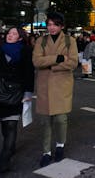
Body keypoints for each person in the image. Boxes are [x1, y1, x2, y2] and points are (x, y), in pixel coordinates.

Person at [0, 28, 34, 173]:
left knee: (11, 125)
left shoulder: (26, 51)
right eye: (9, 33)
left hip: (17, 92)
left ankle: (4, 159)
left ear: (20, 38)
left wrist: (28, 93)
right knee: (4, 126)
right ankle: (10, 146)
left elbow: (29, 73)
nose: (10, 36)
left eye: (14, 34)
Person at [32, 12, 78, 167]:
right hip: (44, 85)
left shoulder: (70, 40)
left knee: (60, 119)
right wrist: (57, 58)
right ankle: (46, 152)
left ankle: (60, 145)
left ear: (61, 26)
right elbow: (36, 61)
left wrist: (50, 64)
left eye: (55, 24)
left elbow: (72, 63)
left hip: (62, 84)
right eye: (49, 24)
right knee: (45, 121)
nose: (51, 27)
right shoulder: (41, 40)